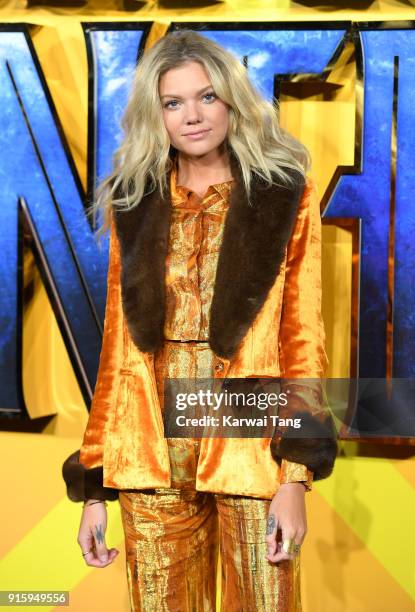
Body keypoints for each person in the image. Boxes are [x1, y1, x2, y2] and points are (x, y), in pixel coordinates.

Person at [62, 30, 338, 611]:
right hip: (149, 449)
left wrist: (294, 475)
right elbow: (116, 349)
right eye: (173, 102)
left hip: (250, 439)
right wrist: (95, 484)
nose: (192, 115)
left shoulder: (282, 192)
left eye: (207, 96)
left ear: (233, 99)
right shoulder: (133, 199)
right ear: (154, 114)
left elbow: (302, 336)